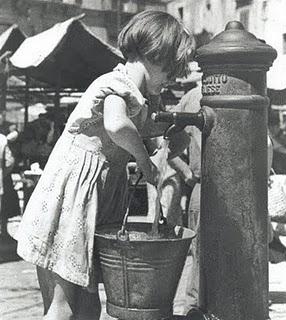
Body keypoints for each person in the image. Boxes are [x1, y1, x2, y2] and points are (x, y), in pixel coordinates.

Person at [15, 11, 195, 320]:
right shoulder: (115, 83)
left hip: (93, 202)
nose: (174, 78)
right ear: (155, 54)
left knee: (88, 309)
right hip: (72, 200)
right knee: (63, 311)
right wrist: (142, 160)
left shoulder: (140, 99)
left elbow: (147, 127)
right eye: (172, 68)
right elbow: (116, 126)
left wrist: (173, 132)